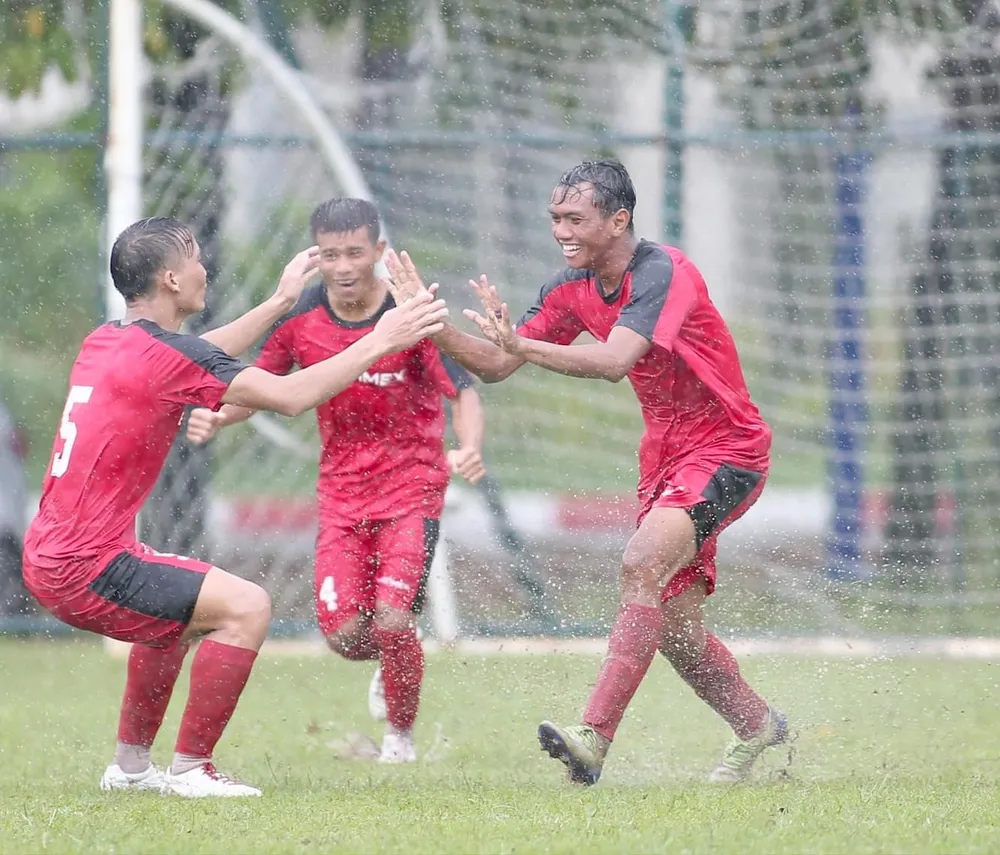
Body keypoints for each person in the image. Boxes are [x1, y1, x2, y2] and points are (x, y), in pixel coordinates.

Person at [384, 160, 787, 786]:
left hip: (727, 448)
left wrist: (523, 347)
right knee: (676, 629)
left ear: (618, 220)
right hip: (666, 458)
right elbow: (493, 361)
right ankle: (756, 724)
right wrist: (429, 320)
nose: (561, 231)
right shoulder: (569, 286)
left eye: (575, 218)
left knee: (640, 564)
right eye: (555, 219)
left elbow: (612, 360)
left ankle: (593, 737)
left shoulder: (664, 271)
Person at [22, 216, 447, 797]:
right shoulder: (164, 357)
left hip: (53, 555)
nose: (205, 268)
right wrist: (382, 337)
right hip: (84, 567)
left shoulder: (111, 340)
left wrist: (278, 302)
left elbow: (195, 353)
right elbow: (292, 397)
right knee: (246, 607)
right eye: (195, 257)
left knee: (172, 620)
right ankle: (193, 769)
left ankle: (129, 769)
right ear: (172, 278)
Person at [186, 198, 486, 764]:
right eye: (330, 254)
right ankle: (399, 659)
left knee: (394, 616)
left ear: (378, 252)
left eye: (354, 253)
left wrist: (468, 447)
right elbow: (261, 386)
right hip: (342, 496)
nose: (343, 266)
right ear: (315, 257)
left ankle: (399, 739)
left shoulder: (408, 315)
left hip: (412, 489)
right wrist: (219, 414)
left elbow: (464, 390)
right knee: (347, 635)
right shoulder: (301, 319)